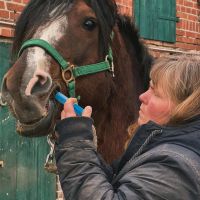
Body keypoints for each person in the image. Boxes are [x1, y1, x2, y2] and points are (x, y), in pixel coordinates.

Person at [55, 54, 200, 200]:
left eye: (155, 92)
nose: (142, 96)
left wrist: (75, 143)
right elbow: (113, 187)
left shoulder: (175, 167)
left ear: (183, 107)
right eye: (149, 87)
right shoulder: (171, 153)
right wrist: (83, 147)